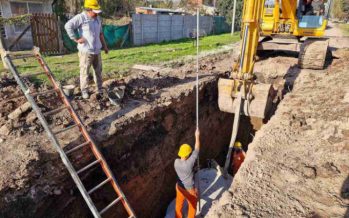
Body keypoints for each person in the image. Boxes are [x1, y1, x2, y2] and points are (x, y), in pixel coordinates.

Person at [65, 0, 109, 99]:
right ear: (88, 10)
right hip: (86, 52)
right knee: (85, 72)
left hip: (97, 51)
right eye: (95, 12)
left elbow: (100, 34)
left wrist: (105, 46)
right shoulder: (81, 17)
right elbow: (68, 26)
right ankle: (84, 91)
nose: (97, 14)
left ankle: (99, 89)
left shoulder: (98, 19)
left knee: (98, 71)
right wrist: (76, 39)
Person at [174, 128, 200, 218]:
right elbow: (196, 149)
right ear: (187, 155)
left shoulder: (176, 162)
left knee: (178, 204)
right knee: (192, 205)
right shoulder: (189, 164)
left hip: (179, 187)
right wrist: (197, 136)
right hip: (189, 190)